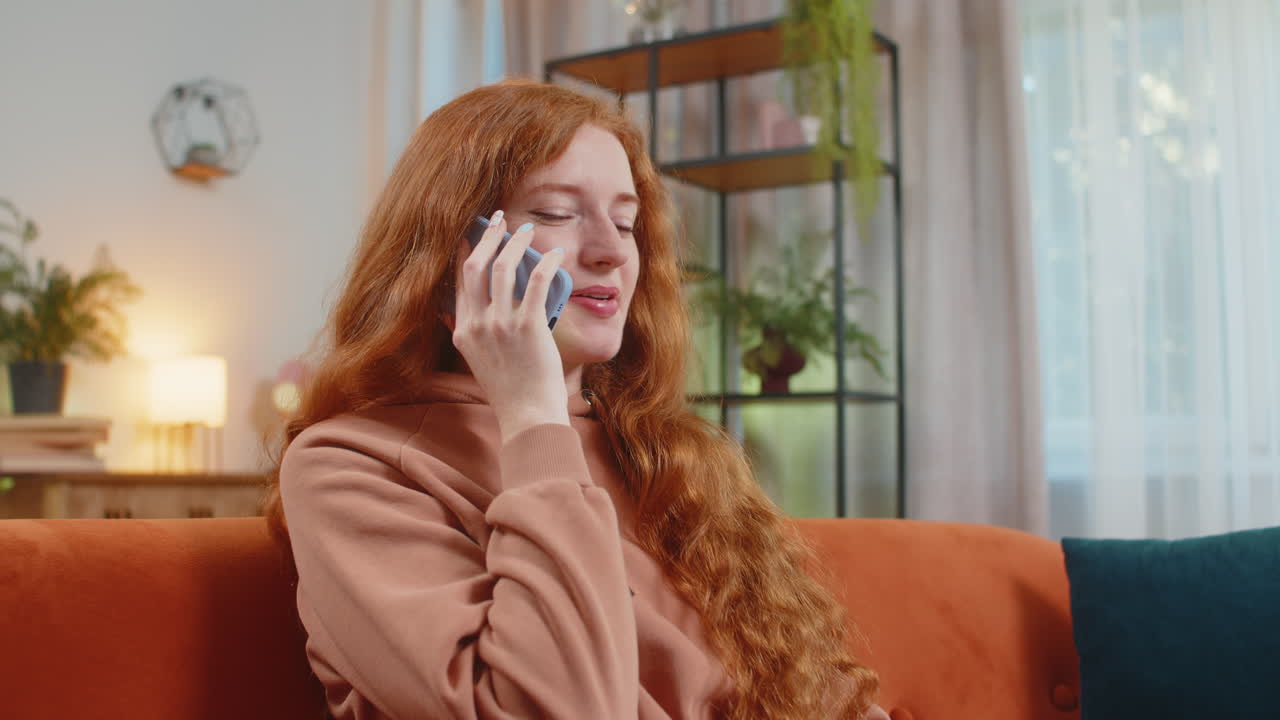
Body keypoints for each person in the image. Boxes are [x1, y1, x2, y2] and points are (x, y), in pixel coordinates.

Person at [264, 79, 887, 720]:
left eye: (626, 222)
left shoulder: (668, 454)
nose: (612, 250)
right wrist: (533, 416)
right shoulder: (346, 468)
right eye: (558, 213)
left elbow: (819, 695)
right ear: (457, 251)